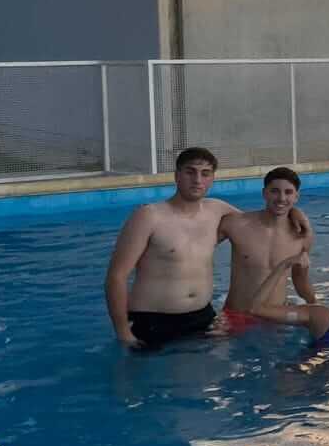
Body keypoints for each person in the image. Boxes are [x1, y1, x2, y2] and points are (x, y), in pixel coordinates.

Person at [104, 147, 310, 350]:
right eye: (190, 172)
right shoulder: (149, 216)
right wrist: (122, 330)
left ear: (212, 179)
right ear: (176, 176)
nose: (197, 180)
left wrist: (293, 212)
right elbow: (117, 276)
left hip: (203, 318)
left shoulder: (216, 210)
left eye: (205, 173)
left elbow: (261, 223)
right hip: (153, 319)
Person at [218, 166, 316, 326]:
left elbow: (300, 279)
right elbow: (201, 248)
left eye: (288, 192)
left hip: (275, 319)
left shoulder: (302, 235)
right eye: (275, 191)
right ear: (264, 193)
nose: (281, 198)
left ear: (296, 197)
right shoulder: (237, 224)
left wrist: (315, 306)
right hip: (236, 315)